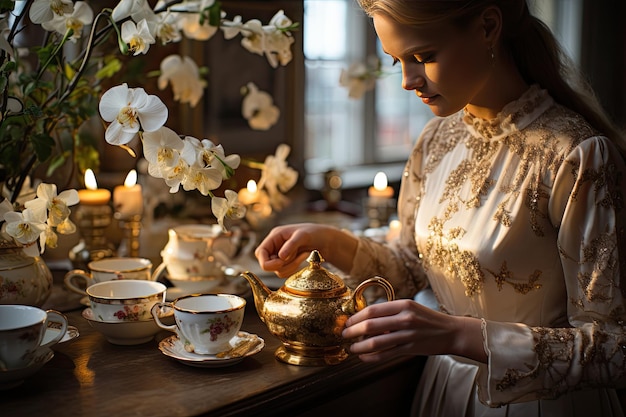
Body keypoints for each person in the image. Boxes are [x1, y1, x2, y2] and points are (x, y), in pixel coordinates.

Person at [255, 0, 626, 416]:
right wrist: (330, 241)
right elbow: (413, 268)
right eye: (396, 60)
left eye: (423, 57)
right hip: (443, 391)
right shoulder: (435, 141)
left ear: (487, 26)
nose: (406, 81)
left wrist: (457, 335)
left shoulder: (576, 155)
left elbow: (611, 348)